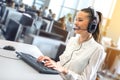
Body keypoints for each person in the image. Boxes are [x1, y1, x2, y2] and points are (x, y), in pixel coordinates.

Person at [37, 7, 106, 80]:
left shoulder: (97, 49)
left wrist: (64, 70)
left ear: (92, 25)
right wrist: (52, 63)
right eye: (76, 19)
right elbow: (62, 64)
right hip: (55, 77)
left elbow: (85, 78)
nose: (75, 22)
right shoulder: (72, 40)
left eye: (80, 20)